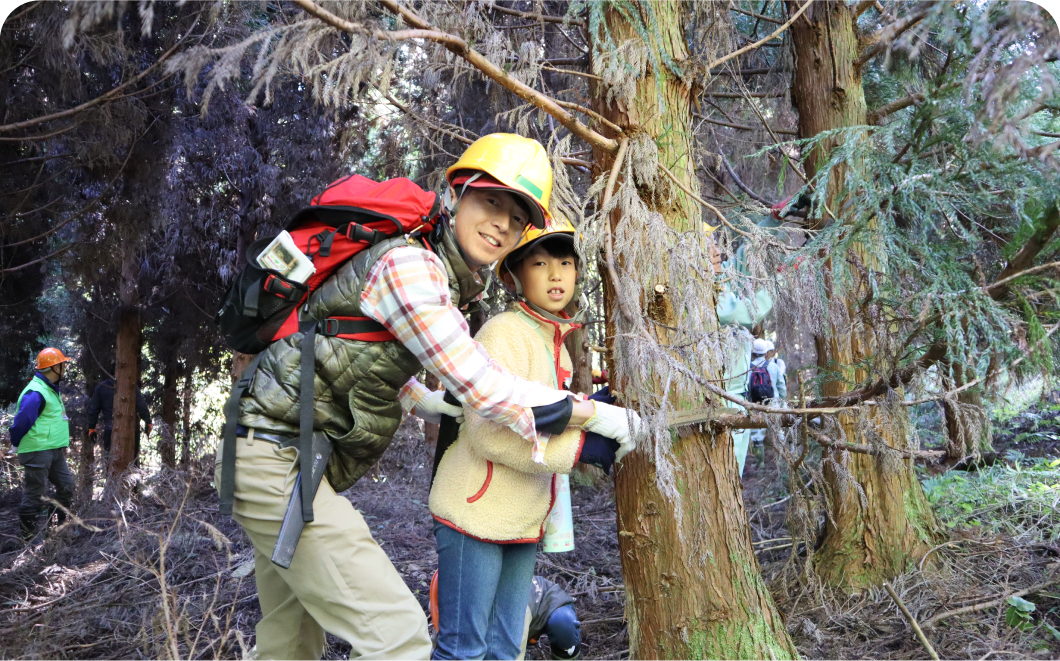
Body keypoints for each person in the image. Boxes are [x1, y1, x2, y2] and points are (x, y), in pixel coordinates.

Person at [220, 133, 641, 661]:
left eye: (516, 217)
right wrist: (597, 415)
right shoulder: (411, 267)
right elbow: (482, 385)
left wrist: (422, 399)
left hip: (289, 457)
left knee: (289, 643)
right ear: (458, 192)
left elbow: (352, 347)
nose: (502, 224)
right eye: (491, 201)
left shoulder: (433, 271)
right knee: (399, 638)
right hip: (276, 461)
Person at [428, 216, 628, 661]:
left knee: (505, 646)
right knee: (464, 647)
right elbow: (488, 434)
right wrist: (580, 448)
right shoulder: (505, 331)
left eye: (565, 262)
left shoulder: (551, 338)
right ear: (515, 274)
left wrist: (592, 412)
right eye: (539, 263)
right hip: (473, 514)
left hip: (520, 517)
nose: (556, 274)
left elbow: (541, 414)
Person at [712, 239, 773, 476]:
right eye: (709, 247)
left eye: (715, 245)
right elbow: (742, 312)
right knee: (726, 472)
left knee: (732, 473)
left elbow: (741, 259)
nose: (717, 252)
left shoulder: (720, 280)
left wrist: (773, 221)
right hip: (722, 401)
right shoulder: (703, 287)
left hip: (736, 401)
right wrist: (783, 279)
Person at [7, 348, 76, 543]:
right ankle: (28, 540)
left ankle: (55, 533)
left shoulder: (49, 389)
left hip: (54, 450)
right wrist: (15, 442)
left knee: (67, 486)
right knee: (35, 493)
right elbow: (22, 421)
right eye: (63, 365)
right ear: (54, 368)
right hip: (38, 450)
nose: (65, 368)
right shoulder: (36, 391)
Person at [86, 367, 153, 460]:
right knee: (131, 462)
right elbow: (141, 405)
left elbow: (93, 410)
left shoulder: (101, 387)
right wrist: (148, 421)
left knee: (110, 460)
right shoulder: (131, 386)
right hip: (131, 429)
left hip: (110, 428)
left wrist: (91, 428)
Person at [748, 338, 787, 464]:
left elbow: (747, 388)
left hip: (755, 404)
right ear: (766, 352)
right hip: (773, 403)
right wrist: (782, 402)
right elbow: (781, 386)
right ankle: (782, 461)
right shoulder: (773, 366)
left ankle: (760, 464)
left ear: (753, 353)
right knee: (778, 430)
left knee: (757, 435)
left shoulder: (748, 368)